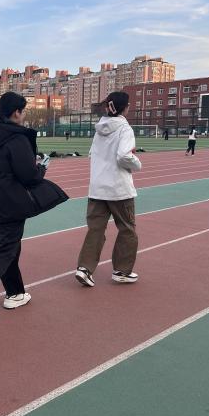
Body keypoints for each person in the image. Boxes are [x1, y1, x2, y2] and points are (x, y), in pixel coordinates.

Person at [0, 92, 68, 326]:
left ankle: (15, 293)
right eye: (23, 111)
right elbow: (29, 176)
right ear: (16, 112)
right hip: (11, 202)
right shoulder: (16, 138)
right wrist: (42, 168)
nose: (24, 115)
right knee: (8, 248)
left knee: (10, 246)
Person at [75, 91, 142, 288]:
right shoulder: (125, 129)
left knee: (95, 229)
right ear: (125, 108)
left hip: (97, 189)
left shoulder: (99, 129)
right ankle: (122, 271)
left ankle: (84, 268)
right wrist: (137, 164)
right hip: (119, 189)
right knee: (127, 229)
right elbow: (124, 156)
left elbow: (92, 155)